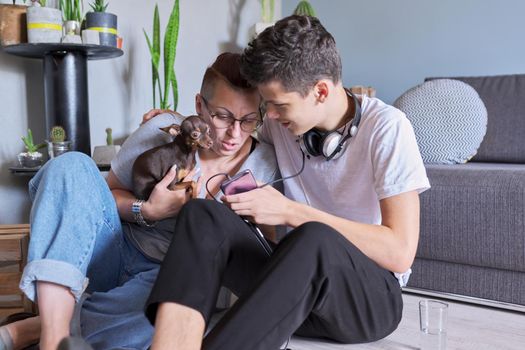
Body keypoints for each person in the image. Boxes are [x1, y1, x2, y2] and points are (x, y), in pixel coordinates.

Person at [145, 15, 431, 350]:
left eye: (279, 106)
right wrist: (179, 120)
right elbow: (235, 127)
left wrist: (291, 212)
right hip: (294, 284)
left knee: (314, 237)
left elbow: (400, 253)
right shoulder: (284, 124)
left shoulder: (388, 129)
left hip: (365, 302)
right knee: (201, 214)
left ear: (320, 91)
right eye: (268, 107)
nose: (273, 117)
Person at [0, 52, 279, 350]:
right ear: (199, 105)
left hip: (172, 279)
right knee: (71, 166)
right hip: (117, 251)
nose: (234, 133)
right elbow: (102, 198)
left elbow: (266, 250)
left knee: (173, 307)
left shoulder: (266, 165)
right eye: (222, 116)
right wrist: (146, 210)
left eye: (249, 120)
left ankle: (35, 329)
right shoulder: (163, 131)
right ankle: (52, 340)